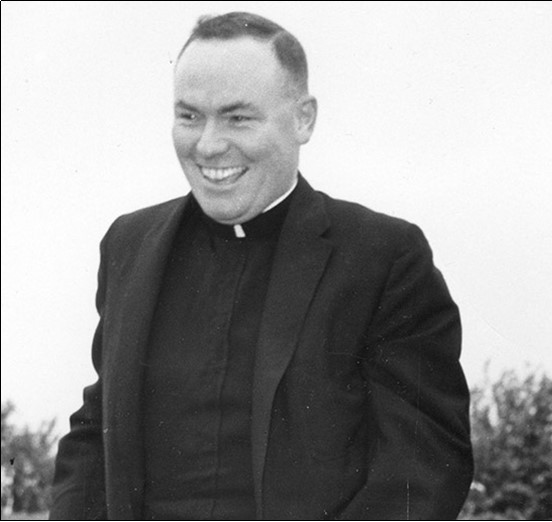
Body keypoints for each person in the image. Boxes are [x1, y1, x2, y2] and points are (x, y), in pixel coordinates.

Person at [50, 11, 473, 520]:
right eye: (188, 116)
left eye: (238, 117)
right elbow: (98, 428)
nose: (207, 144)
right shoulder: (128, 244)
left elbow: (421, 467)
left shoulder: (384, 257)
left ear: (303, 119)